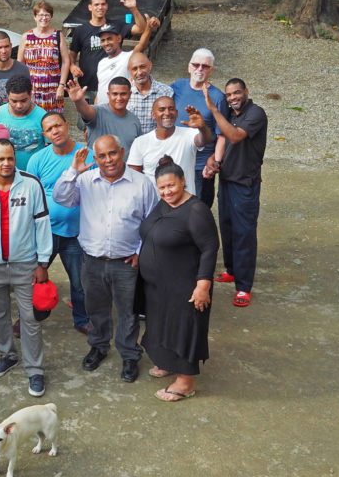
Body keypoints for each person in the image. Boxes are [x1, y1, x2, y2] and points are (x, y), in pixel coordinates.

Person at [53, 136, 159, 382]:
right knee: (96, 309)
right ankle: (99, 347)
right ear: (95, 158)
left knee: (128, 312)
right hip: (92, 260)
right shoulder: (85, 180)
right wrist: (72, 171)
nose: (108, 160)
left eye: (112, 153)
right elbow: (61, 198)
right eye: (101, 156)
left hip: (126, 263)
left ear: (122, 152)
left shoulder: (142, 183)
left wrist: (140, 252)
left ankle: (130, 355)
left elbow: (152, 221)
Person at [0, 139, 53, 397]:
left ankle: (35, 369)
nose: (6, 164)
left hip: (26, 265)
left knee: (30, 319)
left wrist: (43, 263)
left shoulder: (30, 185)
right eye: (1, 159)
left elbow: (42, 224)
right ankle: (7, 355)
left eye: (10, 158)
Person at [138, 157, 219, 402]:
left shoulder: (196, 210)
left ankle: (185, 382)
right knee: (162, 324)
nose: (167, 192)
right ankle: (166, 361)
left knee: (185, 328)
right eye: (161, 188)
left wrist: (203, 284)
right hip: (159, 285)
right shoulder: (164, 204)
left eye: (171, 186)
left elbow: (210, 247)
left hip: (186, 284)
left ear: (183, 181)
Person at [204, 78, 268, 308]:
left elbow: (234, 136)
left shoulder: (256, 114)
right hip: (227, 181)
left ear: (246, 92)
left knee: (244, 234)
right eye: (229, 95)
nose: (233, 98)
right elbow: (222, 139)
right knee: (228, 229)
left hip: (245, 184)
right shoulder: (230, 114)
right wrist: (213, 161)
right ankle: (232, 270)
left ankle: (243, 286)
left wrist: (213, 109)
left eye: (237, 93)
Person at [26, 111, 90, 334]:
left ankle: (82, 319)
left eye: (58, 126)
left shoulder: (86, 154)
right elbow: (31, 198)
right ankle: (30, 318)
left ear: (66, 124)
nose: (55, 131)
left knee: (79, 282)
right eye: (49, 129)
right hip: (45, 232)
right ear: (45, 135)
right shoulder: (38, 159)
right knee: (32, 277)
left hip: (76, 233)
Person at [69, 0, 148, 104]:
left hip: (115, 88)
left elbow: (141, 29)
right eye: (96, 4)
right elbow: (72, 54)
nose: (100, 7)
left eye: (103, 4)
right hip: (87, 86)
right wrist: (72, 66)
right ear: (90, 7)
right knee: (86, 119)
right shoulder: (81, 30)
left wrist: (133, 9)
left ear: (107, 6)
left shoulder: (116, 26)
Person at [170, 48, 227, 208]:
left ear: (211, 70)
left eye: (205, 66)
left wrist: (215, 161)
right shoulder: (176, 87)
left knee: (198, 212)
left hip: (200, 167)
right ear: (189, 66)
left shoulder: (217, 97)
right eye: (196, 65)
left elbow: (222, 135)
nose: (199, 69)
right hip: (175, 161)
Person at [128, 96, 211, 196]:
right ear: (153, 115)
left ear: (176, 113)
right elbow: (134, 178)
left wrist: (202, 128)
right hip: (154, 206)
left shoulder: (189, 134)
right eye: (161, 109)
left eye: (171, 109)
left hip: (185, 206)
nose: (167, 113)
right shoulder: (140, 142)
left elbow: (204, 140)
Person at [17, 0, 70, 114]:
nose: (44, 18)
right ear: (35, 17)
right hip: (32, 89)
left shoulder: (58, 35)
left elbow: (66, 61)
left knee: (54, 121)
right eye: (41, 15)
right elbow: (20, 64)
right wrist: (22, 88)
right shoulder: (26, 37)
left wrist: (61, 85)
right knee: (32, 120)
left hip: (53, 89)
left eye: (47, 15)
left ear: (51, 17)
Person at [67, 75, 143, 152]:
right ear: (108, 95)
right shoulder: (97, 112)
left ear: (130, 95)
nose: (119, 98)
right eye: (115, 94)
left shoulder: (134, 120)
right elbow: (85, 111)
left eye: (123, 94)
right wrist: (78, 101)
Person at [0, 75, 47, 170]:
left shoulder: (43, 117)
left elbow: (50, 149)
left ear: (31, 94)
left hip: (35, 174)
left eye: (23, 101)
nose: (19, 106)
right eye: (13, 101)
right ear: (7, 96)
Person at [127, 51, 173, 132]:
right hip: (131, 143)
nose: (139, 72)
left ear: (150, 65)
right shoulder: (124, 93)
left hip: (157, 143)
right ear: (129, 71)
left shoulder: (166, 92)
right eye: (135, 69)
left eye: (142, 67)